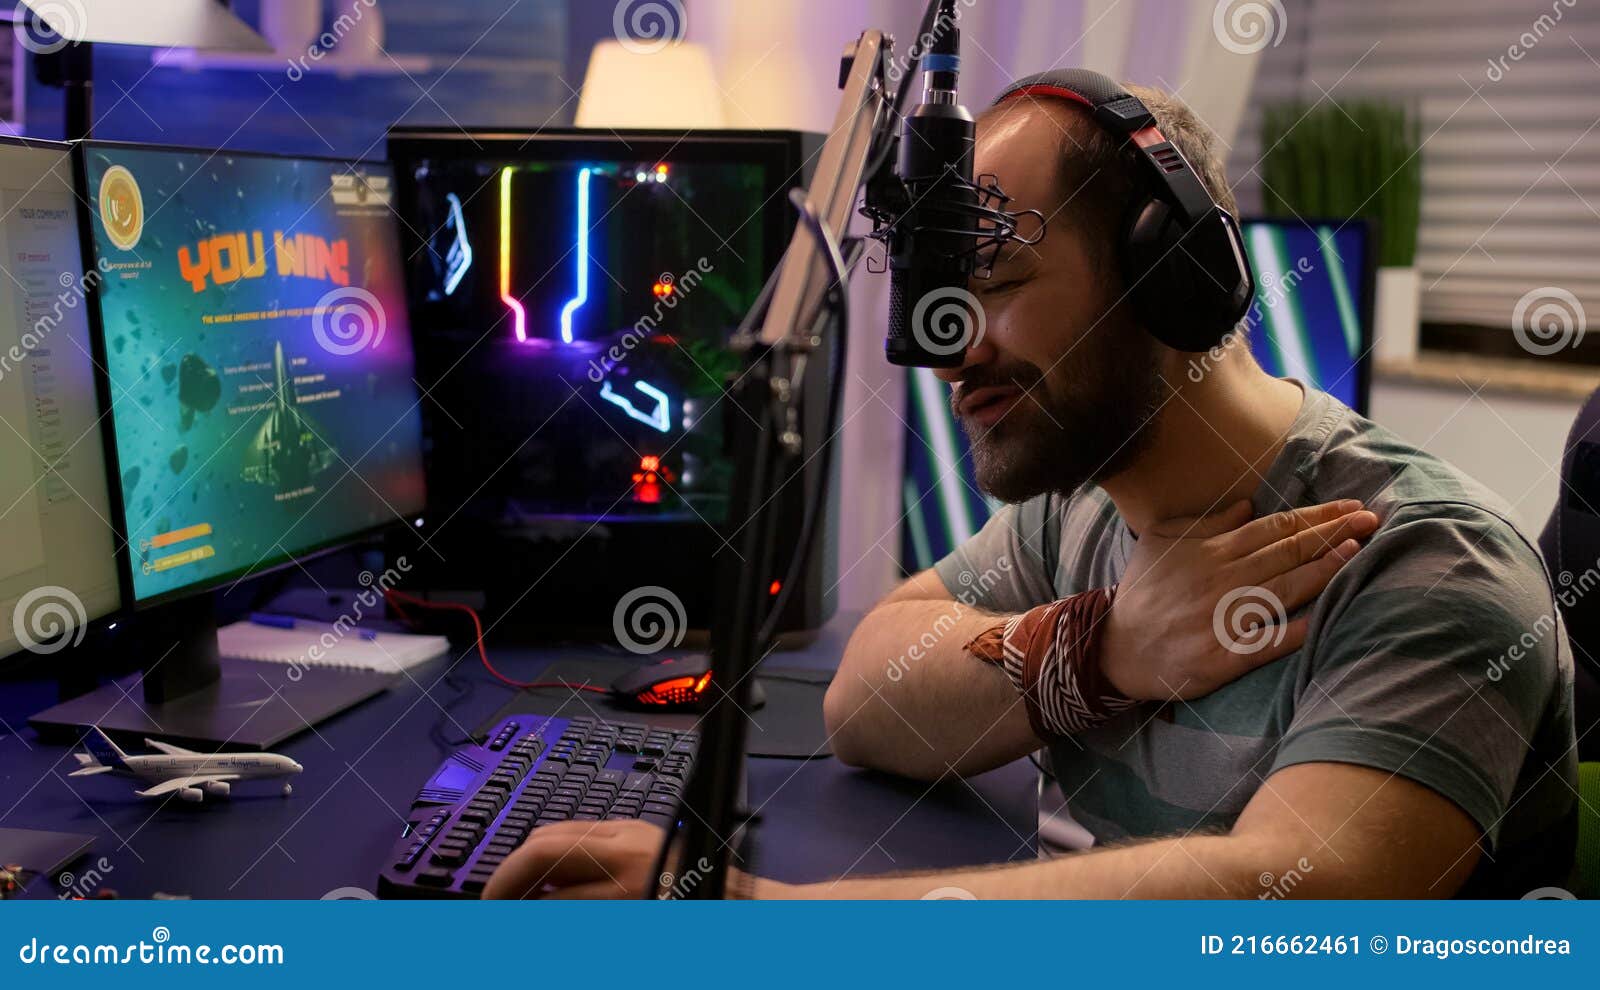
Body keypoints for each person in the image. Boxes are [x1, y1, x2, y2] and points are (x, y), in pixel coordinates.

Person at [485, 79, 1576, 900]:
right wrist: (1096, 650)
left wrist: (769, 922)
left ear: (1171, 273)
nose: (950, 350)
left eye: (996, 287)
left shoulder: (1429, 566)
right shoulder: (1082, 507)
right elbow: (862, 699)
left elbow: (1292, 900)